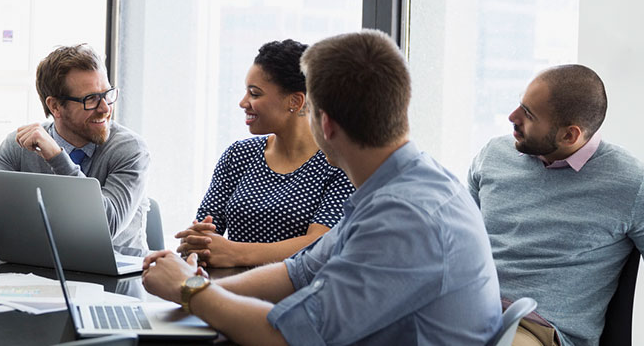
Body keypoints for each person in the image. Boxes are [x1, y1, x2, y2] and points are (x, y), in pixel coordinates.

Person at [142, 29, 501, 345]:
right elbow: (297, 272)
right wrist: (193, 285)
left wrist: (190, 291)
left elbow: (289, 336)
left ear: (324, 123)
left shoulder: (404, 216)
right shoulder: (402, 185)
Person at [468, 65, 644, 346]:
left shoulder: (639, 188)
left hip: (537, 329)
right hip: (469, 307)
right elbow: (460, 247)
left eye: (529, 115)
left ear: (570, 136)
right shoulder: (493, 156)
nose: (512, 117)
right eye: (521, 104)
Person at [175, 39, 354, 268]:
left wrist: (235, 253)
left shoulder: (338, 163)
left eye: (255, 94)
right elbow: (204, 230)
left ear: (295, 101)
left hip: (297, 297)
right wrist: (195, 241)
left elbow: (320, 245)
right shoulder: (238, 155)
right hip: (225, 291)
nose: (243, 102)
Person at [0, 44, 151, 252]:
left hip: (117, 278)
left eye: (107, 94)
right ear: (55, 106)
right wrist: (54, 230)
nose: (105, 108)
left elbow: (105, 227)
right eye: (91, 99)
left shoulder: (130, 150)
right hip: (42, 272)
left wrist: (57, 158)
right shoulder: (19, 145)